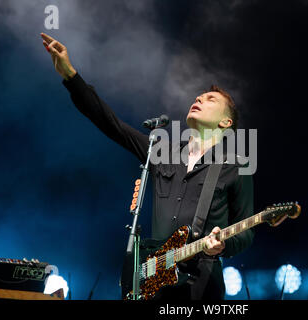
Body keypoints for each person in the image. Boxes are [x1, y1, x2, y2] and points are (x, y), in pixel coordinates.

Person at [41, 33, 287, 300]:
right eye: (199, 96)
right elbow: (111, 124)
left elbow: (246, 231)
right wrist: (70, 76)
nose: (199, 99)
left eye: (210, 100)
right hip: (151, 279)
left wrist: (223, 244)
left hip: (200, 283)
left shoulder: (236, 166)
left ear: (226, 123)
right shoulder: (162, 154)